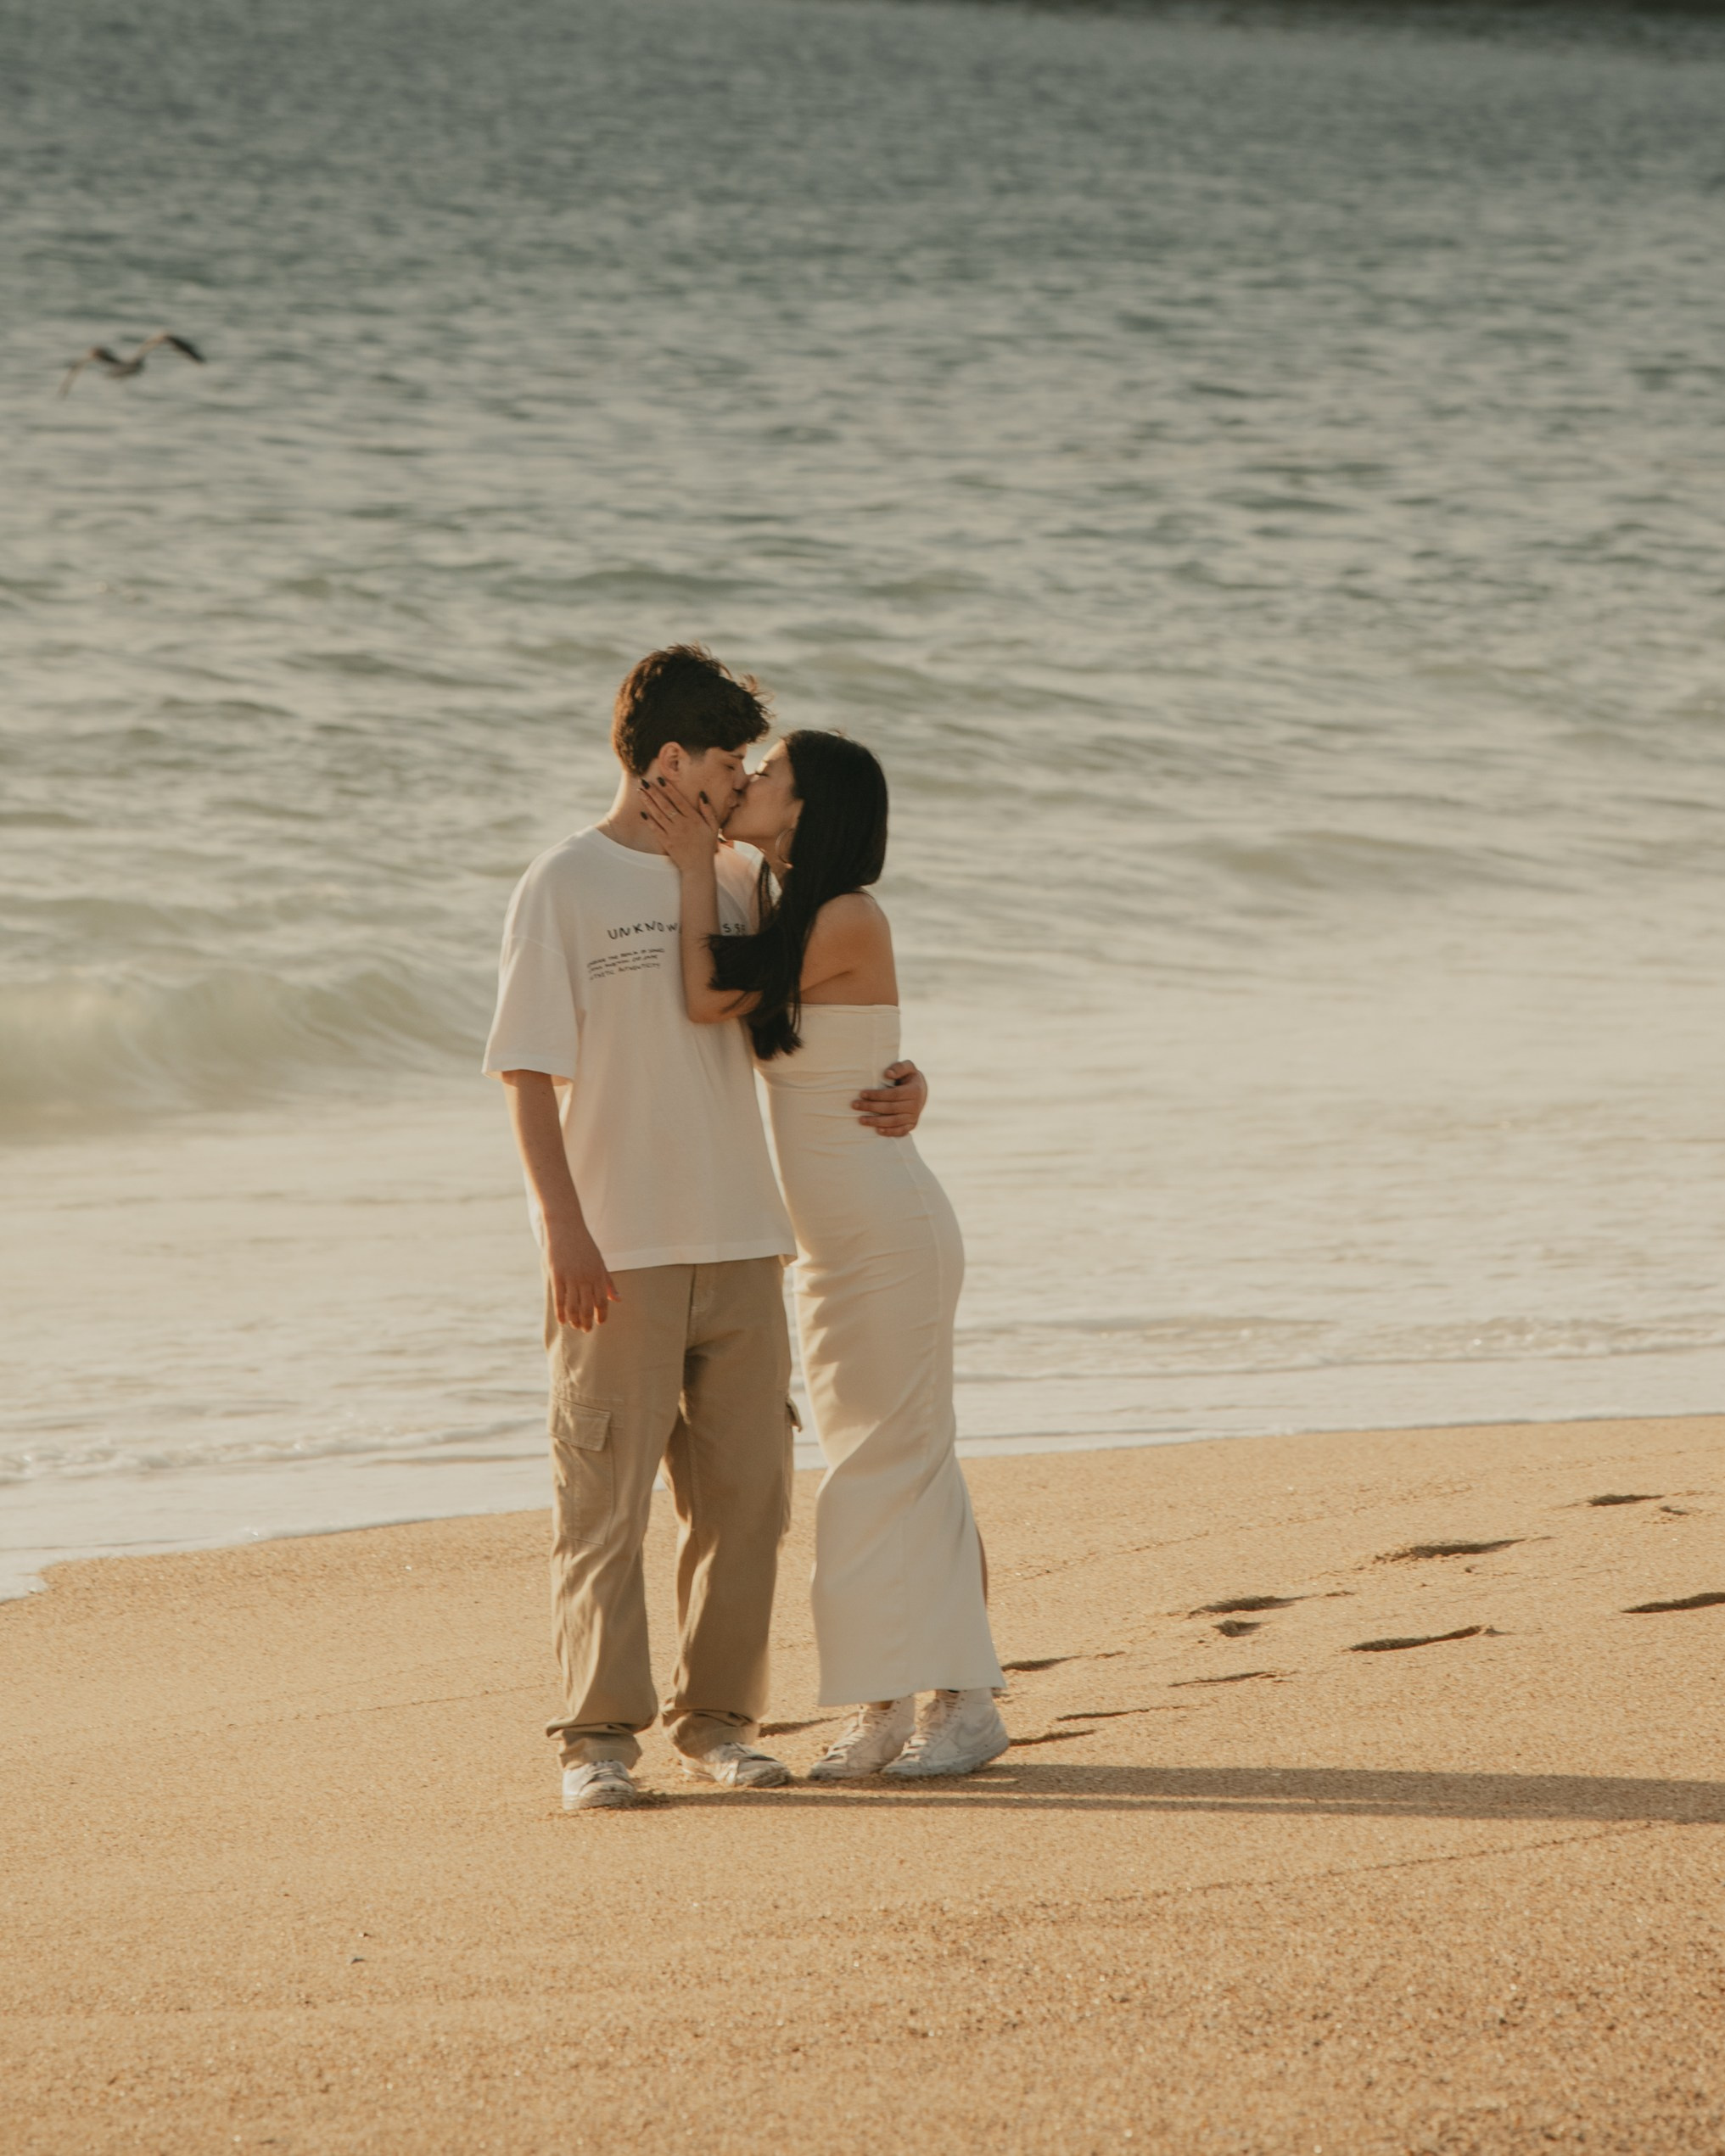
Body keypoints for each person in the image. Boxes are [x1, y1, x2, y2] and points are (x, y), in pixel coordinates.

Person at [483, 648, 927, 1812]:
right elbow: (526, 1075)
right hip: (613, 1246)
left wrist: (901, 1080)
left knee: (748, 1498)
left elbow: (809, 1011)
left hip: (743, 1235)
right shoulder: (561, 882)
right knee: (604, 1504)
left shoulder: (736, 878)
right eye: (730, 762)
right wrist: (560, 1230)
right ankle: (594, 1741)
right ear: (670, 761)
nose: (741, 784)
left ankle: (720, 1723)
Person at [641, 729, 1008, 1780]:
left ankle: (939, 1703)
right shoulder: (770, 892)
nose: (746, 784)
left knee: (894, 1463)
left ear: (807, 810)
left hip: (887, 1228)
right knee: (890, 1459)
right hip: (832, 1240)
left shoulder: (846, 914)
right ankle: (916, 1702)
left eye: (766, 778)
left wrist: (679, 866)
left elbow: (712, 999)